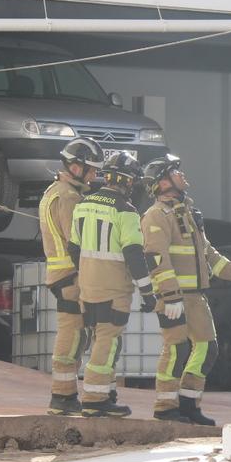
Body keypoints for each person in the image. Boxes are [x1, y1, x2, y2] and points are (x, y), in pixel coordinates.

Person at [140, 154, 231, 425]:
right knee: (176, 350)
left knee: (207, 348)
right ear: (163, 183)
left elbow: (209, 255)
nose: (183, 175)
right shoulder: (155, 216)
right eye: (176, 171)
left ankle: (188, 404)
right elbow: (157, 259)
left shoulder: (187, 213)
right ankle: (165, 407)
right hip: (174, 298)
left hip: (196, 297)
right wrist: (170, 296)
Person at [68, 152, 156, 417]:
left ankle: (106, 394)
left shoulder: (83, 204)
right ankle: (95, 400)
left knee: (100, 339)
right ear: (129, 182)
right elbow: (134, 256)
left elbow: (74, 249)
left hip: (88, 287)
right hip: (114, 289)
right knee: (108, 342)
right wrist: (148, 292)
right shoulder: (126, 211)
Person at [39, 138, 104, 416]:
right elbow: (76, 243)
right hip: (70, 278)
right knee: (72, 335)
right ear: (76, 167)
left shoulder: (55, 190)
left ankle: (65, 395)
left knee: (75, 334)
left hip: (62, 276)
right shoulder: (69, 197)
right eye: (90, 170)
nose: (93, 175)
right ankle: (62, 397)